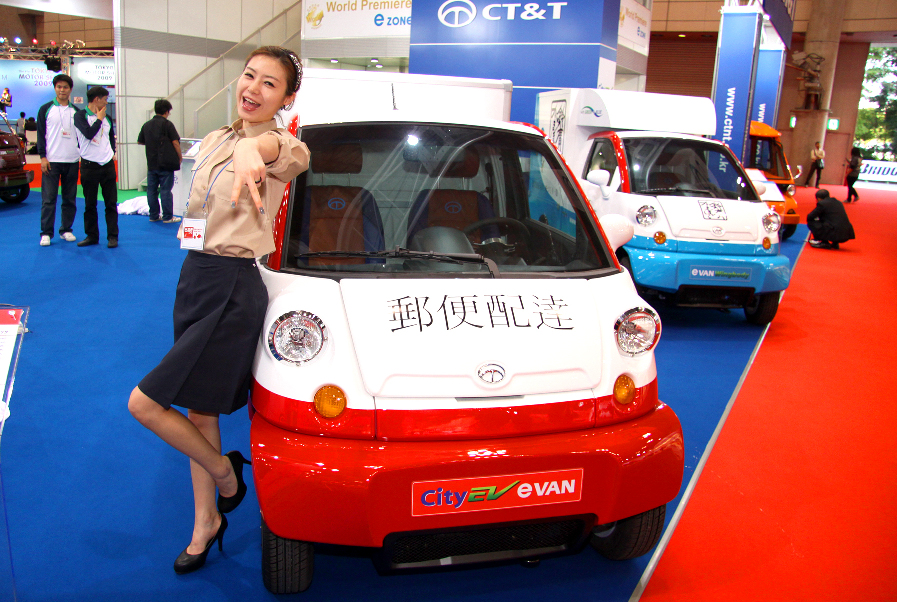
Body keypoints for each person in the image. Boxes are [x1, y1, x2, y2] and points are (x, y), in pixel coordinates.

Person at [127, 46, 310, 575]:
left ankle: (226, 474)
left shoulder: (285, 145)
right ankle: (205, 522)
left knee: (144, 404)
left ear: (287, 98)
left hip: (232, 286)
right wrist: (240, 145)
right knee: (199, 411)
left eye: (270, 83)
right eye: (250, 75)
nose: (253, 88)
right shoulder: (214, 140)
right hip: (194, 278)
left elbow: (286, 152)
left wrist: (258, 146)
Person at [36, 74, 80, 247]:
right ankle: (46, 233)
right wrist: (43, 157)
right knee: (48, 199)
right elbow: (41, 135)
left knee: (70, 199)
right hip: (51, 161)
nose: (62, 90)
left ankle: (66, 229)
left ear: (70, 89)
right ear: (55, 88)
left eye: (65, 87)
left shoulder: (76, 111)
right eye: (59, 87)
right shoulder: (45, 109)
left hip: (72, 161)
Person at [74, 86, 119, 248]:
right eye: (105, 99)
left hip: (107, 165)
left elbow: (110, 138)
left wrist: (111, 152)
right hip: (89, 165)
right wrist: (99, 119)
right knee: (90, 204)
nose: (106, 102)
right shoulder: (80, 116)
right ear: (96, 99)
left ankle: (113, 236)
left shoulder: (107, 118)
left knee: (111, 203)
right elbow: (88, 134)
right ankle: (92, 236)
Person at [138, 99, 183, 223]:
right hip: (166, 164)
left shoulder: (147, 125)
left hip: (152, 163)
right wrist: (179, 157)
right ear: (167, 111)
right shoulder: (168, 125)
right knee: (166, 190)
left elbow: (140, 141)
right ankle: (167, 217)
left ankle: (153, 215)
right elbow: (175, 142)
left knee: (151, 191)